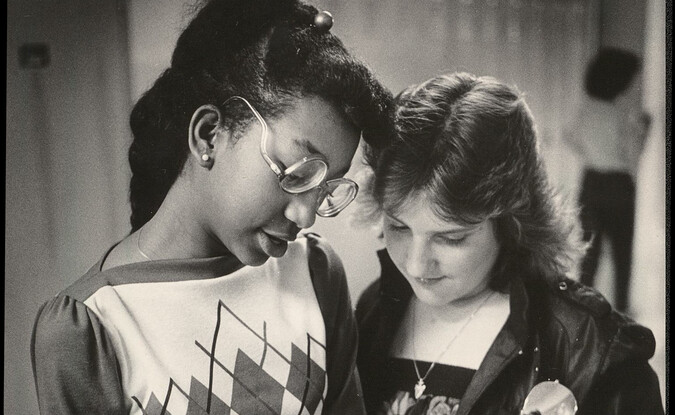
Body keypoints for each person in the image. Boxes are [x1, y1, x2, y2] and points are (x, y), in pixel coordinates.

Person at [30, 0, 392, 413]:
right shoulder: (91, 327)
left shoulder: (315, 272)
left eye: (325, 188)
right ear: (208, 135)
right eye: (295, 173)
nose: (305, 216)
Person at [354, 72, 663, 414]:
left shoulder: (593, 351)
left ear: (511, 222)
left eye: (451, 238)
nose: (415, 264)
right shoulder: (375, 307)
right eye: (398, 228)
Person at [566, 47, 650, 312]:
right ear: (620, 81)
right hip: (619, 185)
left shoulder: (586, 109)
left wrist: (592, 153)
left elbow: (570, 138)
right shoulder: (620, 114)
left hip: (591, 182)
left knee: (590, 252)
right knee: (622, 254)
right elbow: (632, 156)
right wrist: (645, 131)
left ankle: (581, 306)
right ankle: (622, 308)